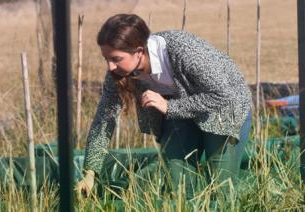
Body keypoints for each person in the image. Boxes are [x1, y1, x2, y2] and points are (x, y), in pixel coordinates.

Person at [76, 13, 252, 199]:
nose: (110, 67)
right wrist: (90, 171)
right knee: (178, 182)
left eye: (116, 58)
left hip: (222, 110)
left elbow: (223, 94)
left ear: (138, 51)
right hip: (179, 115)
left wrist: (169, 107)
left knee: (220, 187)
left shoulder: (184, 50)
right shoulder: (119, 73)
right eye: (106, 59)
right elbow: (104, 117)